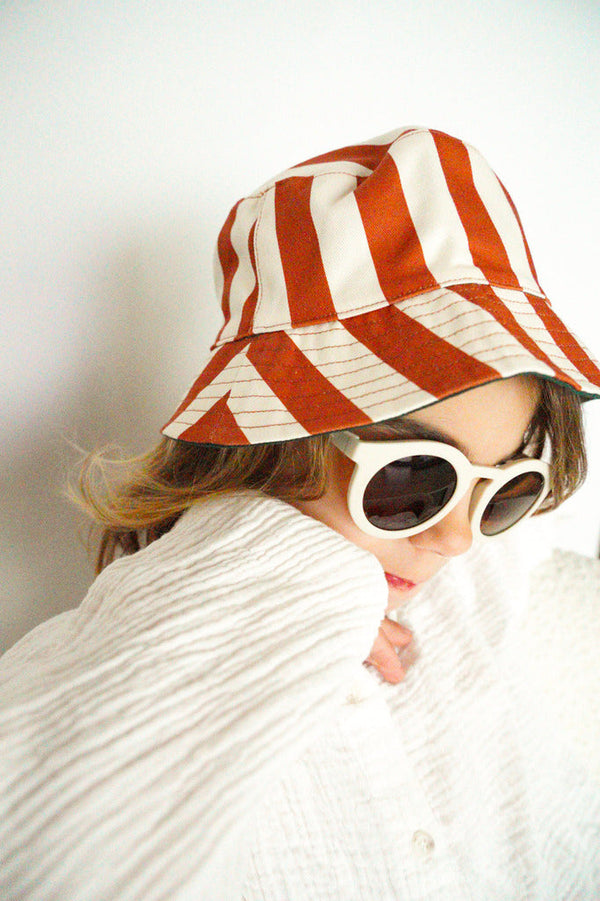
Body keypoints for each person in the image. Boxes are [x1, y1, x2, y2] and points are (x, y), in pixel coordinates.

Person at [1, 126, 600, 900]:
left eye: (506, 487)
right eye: (416, 476)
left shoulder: (475, 582)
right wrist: (295, 589)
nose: (457, 539)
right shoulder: (122, 652)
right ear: (272, 446)